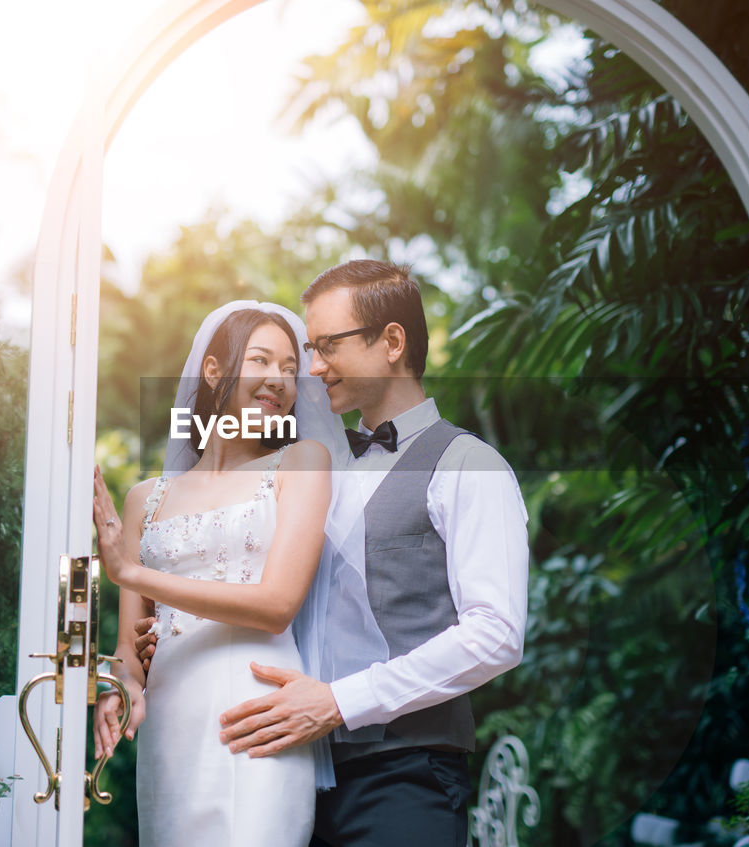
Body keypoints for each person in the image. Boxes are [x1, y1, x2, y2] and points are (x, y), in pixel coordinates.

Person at [212, 260, 530, 846]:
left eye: (327, 345)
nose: (313, 368)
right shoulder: (312, 469)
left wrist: (339, 702)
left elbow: (496, 634)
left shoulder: (470, 464)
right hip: (290, 776)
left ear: (391, 342)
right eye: (309, 348)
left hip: (405, 777)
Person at [91, 302, 386, 847]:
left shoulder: (304, 462)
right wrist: (119, 690)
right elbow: (130, 657)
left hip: (258, 716)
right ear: (213, 371)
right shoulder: (142, 500)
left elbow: (276, 606)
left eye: (289, 371)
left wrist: (131, 572)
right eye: (260, 361)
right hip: (171, 732)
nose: (278, 380)